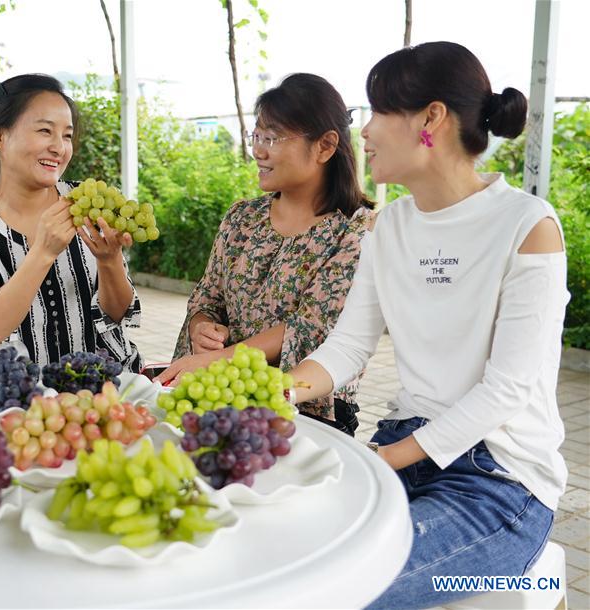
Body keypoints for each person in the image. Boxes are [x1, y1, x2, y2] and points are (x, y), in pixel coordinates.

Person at [290, 42, 568, 608]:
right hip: (401, 444)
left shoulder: (526, 226)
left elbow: (507, 389)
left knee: (341, 590)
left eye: (377, 112)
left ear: (430, 119)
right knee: (282, 553)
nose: (361, 133)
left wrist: (382, 460)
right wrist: (273, 389)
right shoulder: (386, 227)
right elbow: (346, 347)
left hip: (499, 481)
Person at [156, 73, 372, 434]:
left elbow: (312, 328)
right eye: (256, 136)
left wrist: (217, 361)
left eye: (271, 138)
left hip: (304, 413)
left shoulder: (355, 231)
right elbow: (206, 297)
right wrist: (202, 328)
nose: (258, 150)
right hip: (216, 401)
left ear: (325, 146)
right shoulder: (242, 217)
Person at [0, 74, 142, 371]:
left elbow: (118, 316)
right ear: (0, 136)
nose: (59, 148)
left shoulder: (84, 202)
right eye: (45, 131)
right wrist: (43, 253)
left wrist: (109, 261)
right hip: (23, 396)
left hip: (112, 387)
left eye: (67, 135)